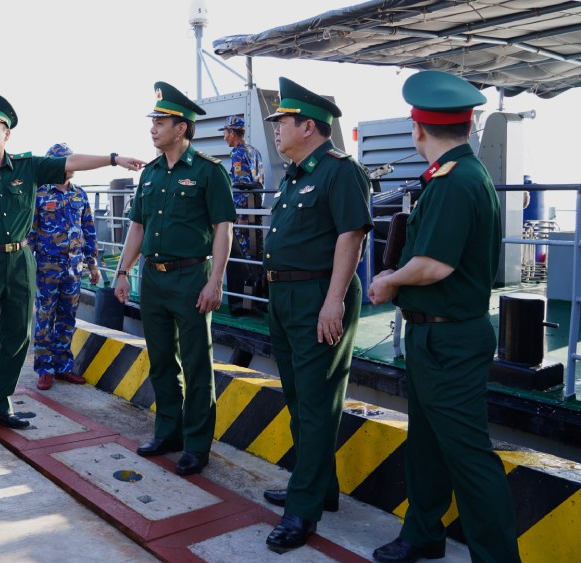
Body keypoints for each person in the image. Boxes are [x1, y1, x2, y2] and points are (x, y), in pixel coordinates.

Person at [367, 70, 521, 563]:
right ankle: (424, 533)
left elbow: (435, 265)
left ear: (418, 130)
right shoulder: (455, 175)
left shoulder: (455, 182)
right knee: (427, 445)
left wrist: (388, 281)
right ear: (467, 123)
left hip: (450, 340)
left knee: (470, 458)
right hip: (434, 337)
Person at [0, 91, 143, 449]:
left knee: (19, 336)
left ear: (7, 134)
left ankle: (0, 404)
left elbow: (71, 162)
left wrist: (114, 158)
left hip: (21, 261)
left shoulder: (29, 166)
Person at [259, 77, 372, 552]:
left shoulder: (338, 171)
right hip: (285, 299)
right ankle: (320, 488)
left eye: (283, 122)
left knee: (316, 401)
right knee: (298, 397)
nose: (277, 130)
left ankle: (301, 510)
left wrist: (334, 299)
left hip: (317, 298)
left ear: (309, 126)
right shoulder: (296, 175)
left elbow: (352, 235)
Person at [113, 82, 235, 477]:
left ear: (181, 128)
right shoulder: (149, 174)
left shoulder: (208, 171)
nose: (153, 128)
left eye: (160, 122)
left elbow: (223, 228)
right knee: (163, 361)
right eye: (153, 121)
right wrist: (123, 271)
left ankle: (198, 445)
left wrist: (215, 280)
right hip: (154, 279)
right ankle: (169, 433)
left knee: (198, 364)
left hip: (190, 278)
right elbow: (137, 226)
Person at [28, 142, 100, 390]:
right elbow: (31, 234)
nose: (70, 166)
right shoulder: (39, 194)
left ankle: (63, 367)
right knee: (45, 318)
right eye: (64, 162)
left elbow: (88, 230)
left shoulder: (79, 194)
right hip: (47, 266)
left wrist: (93, 265)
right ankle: (44, 368)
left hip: (74, 266)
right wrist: (27, 267)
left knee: (68, 318)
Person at [220, 115, 265, 315]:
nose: (224, 138)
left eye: (225, 133)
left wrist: (242, 216)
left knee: (240, 261)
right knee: (256, 258)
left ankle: (244, 306)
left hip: (244, 212)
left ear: (232, 132)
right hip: (256, 210)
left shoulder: (238, 154)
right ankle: (258, 300)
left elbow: (242, 183)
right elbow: (258, 182)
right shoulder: (254, 151)